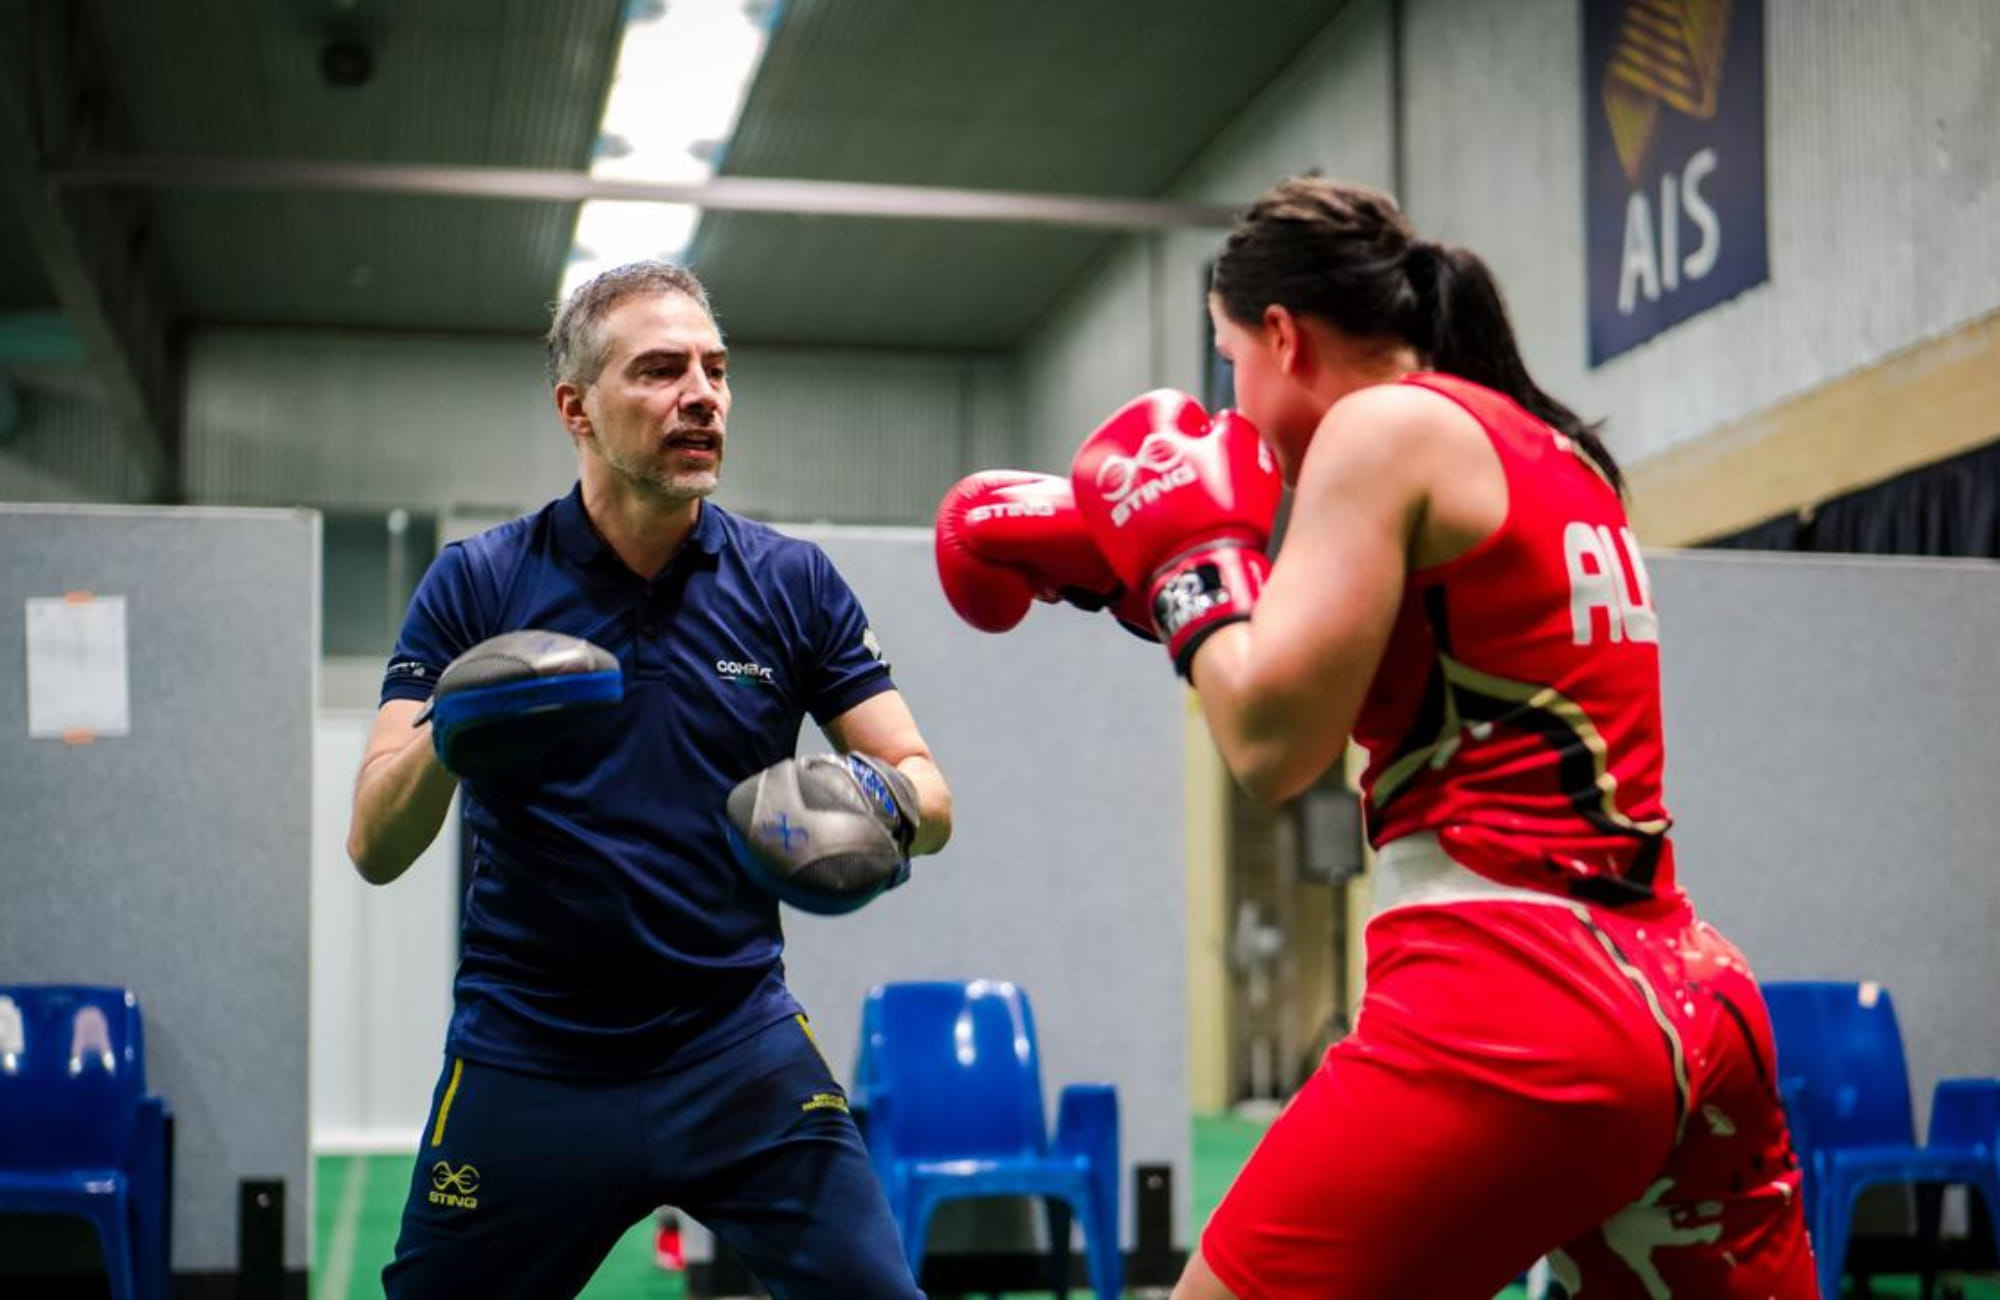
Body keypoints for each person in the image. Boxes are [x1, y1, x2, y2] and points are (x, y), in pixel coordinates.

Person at [939, 177, 1815, 1298]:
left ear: (1279, 336)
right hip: (1688, 993)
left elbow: (1268, 743)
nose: (1231, 400)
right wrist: (1144, 588)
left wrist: (1180, 564)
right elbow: (1409, 675)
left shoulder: (1376, 430)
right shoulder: (1551, 448)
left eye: (1228, 362)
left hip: (1511, 993)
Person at [347, 261, 952, 1299]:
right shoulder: (482, 581)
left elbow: (928, 792)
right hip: (528, 1057)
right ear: (575, 409)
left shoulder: (788, 582)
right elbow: (372, 843)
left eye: (716, 370)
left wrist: (877, 807)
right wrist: (453, 730)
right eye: (661, 370)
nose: (702, 395)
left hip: (735, 1047)